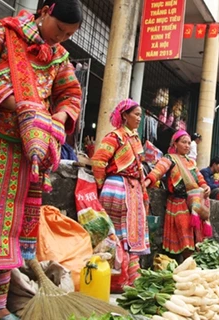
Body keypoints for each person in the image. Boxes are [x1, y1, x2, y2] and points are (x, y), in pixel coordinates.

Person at [0, 1, 83, 319]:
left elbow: (71, 95)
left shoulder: (59, 57)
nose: (61, 39)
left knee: (9, 229)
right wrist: (20, 106)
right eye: (59, 29)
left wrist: (56, 117)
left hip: (25, 151)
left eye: (69, 35)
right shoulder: (3, 32)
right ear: (45, 12)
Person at [91, 99, 149, 285]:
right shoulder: (115, 137)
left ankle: (122, 279)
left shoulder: (133, 139)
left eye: (140, 115)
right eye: (136, 114)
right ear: (124, 115)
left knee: (120, 236)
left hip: (128, 188)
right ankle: (127, 280)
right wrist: (101, 185)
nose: (139, 118)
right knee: (124, 236)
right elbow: (99, 161)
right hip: (120, 188)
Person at [145, 130, 211, 259]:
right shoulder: (169, 158)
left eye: (188, 143)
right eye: (183, 142)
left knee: (194, 239)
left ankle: (189, 267)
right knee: (185, 239)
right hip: (178, 203)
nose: (187, 145)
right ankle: (188, 266)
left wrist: (205, 187)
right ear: (175, 144)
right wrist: (146, 182)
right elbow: (158, 171)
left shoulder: (191, 162)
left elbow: (200, 179)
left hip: (193, 204)